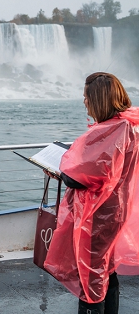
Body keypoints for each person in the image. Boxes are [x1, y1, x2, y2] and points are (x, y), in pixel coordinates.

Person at [44, 72, 139, 314]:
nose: (84, 101)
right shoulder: (128, 124)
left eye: (87, 97)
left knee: (90, 275)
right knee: (106, 268)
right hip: (116, 208)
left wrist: (62, 172)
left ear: (99, 99)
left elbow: (86, 177)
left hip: (99, 213)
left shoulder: (110, 130)